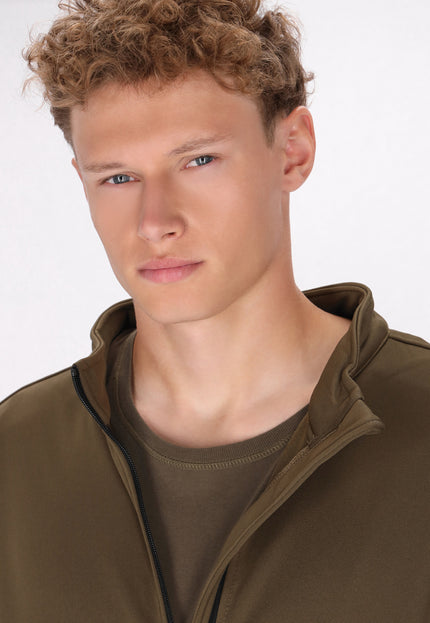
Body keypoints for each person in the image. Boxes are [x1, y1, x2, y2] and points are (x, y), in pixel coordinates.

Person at [1, 0, 429, 621]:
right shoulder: (16, 456)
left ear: (293, 151)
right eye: (117, 178)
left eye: (198, 161)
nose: (155, 223)